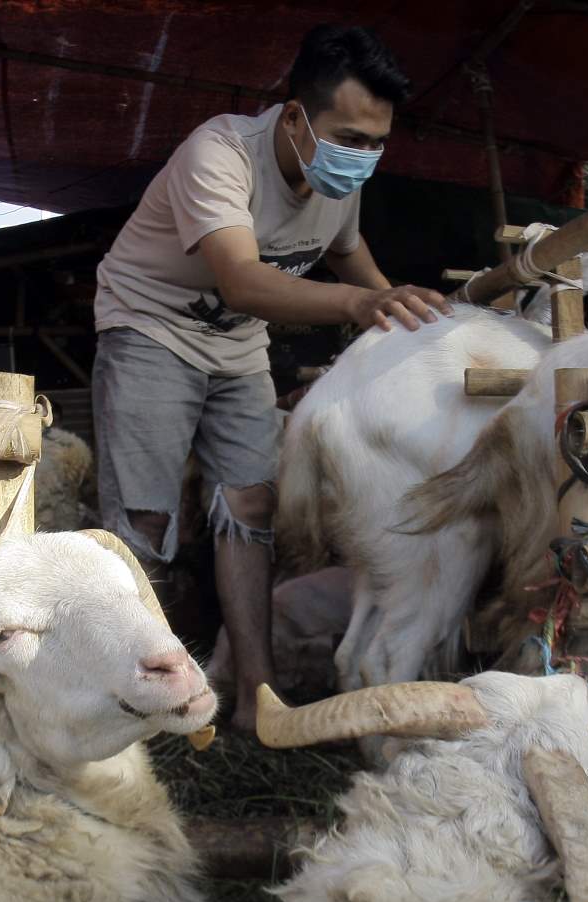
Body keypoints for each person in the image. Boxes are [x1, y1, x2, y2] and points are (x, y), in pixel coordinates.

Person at [91, 23, 451, 730]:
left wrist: (407, 317)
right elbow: (243, 283)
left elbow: (351, 259)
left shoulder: (335, 180)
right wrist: (359, 304)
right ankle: (132, 699)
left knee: (250, 512)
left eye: (377, 142)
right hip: (150, 328)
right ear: (293, 119)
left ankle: (257, 695)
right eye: (349, 136)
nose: (363, 156)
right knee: (145, 522)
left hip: (235, 350)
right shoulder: (218, 153)